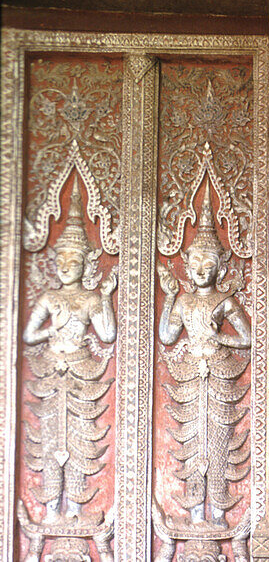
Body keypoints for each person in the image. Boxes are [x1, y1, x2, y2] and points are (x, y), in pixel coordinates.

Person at [157, 186, 251, 528]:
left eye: (208, 262)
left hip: (219, 373)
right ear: (186, 264)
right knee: (193, 443)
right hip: (189, 376)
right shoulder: (184, 300)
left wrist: (219, 336)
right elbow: (167, 336)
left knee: (218, 441)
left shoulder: (224, 300)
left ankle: (217, 514)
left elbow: (250, 338)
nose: (201, 269)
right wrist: (169, 297)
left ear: (220, 266)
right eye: (195, 262)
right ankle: (196, 513)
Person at [23, 185, 117, 523]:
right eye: (61, 259)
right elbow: (28, 334)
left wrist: (105, 297)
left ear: (87, 263)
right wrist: (53, 330)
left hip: (80, 372)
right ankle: (50, 513)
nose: (66, 266)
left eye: (73, 260)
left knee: (79, 441)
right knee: (50, 442)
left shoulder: (90, 298)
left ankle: (75, 511)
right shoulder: (50, 297)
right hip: (50, 371)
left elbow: (107, 334)